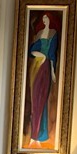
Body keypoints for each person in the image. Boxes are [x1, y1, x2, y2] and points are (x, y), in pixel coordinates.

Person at [26, 14, 58, 146]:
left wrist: (52, 71)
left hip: (45, 67)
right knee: (34, 100)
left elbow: (52, 55)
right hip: (36, 66)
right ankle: (33, 134)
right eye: (43, 18)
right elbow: (31, 51)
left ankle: (41, 133)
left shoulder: (53, 33)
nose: (45, 20)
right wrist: (39, 55)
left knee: (42, 100)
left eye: (47, 18)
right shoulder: (39, 33)